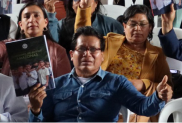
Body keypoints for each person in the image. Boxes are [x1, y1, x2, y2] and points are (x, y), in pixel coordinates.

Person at [28, 26, 172, 123]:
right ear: (72, 55)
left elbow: (144, 107)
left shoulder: (116, 82)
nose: (87, 54)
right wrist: (35, 110)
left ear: (102, 56)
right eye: (81, 49)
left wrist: (158, 96)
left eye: (93, 50)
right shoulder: (55, 85)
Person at [74, 2, 171, 123]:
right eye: (132, 24)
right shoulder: (110, 42)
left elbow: (167, 87)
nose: (137, 28)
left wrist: (144, 84)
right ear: (124, 26)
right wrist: (84, 9)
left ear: (150, 27)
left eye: (143, 24)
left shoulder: (157, 55)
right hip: (99, 101)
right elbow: (84, 38)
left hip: (134, 110)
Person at [0, 3, 72, 80]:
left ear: (45, 22)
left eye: (36, 16)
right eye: (27, 16)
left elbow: (64, 84)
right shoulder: (8, 46)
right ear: (20, 25)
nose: (31, 20)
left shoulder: (58, 51)